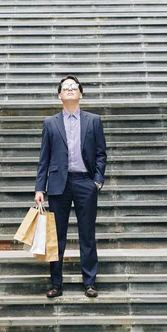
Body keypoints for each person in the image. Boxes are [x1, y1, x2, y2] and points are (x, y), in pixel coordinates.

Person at [34, 75, 107, 299]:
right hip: (58, 185)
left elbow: (101, 154)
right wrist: (39, 188)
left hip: (85, 183)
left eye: (73, 87)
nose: (70, 89)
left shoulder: (93, 121)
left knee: (87, 234)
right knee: (57, 236)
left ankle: (90, 282)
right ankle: (56, 283)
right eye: (65, 87)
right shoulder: (50, 123)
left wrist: (97, 180)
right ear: (59, 95)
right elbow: (44, 158)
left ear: (80, 93)